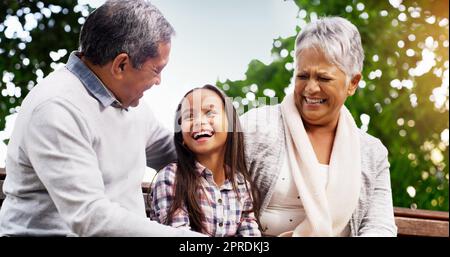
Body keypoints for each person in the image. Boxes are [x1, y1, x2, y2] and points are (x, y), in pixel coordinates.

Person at [0, 0, 202, 236]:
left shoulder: (132, 105)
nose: (159, 81)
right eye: (156, 70)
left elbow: (176, 151)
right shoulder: (56, 108)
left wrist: (234, 149)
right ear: (121, 65)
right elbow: (91, 218)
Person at [240, 17, 397, 236]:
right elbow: (220, 205)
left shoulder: (372, 153)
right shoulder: (254, 127)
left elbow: (379, 227)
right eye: (302, 76)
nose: (310, 88)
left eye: (324, 78)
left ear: (352, 83)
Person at [150, 85, 261, 237]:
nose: (199, 121)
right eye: (189, 116)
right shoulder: (171, 178)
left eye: (209, 112)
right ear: (181, 136)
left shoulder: (241, 184)